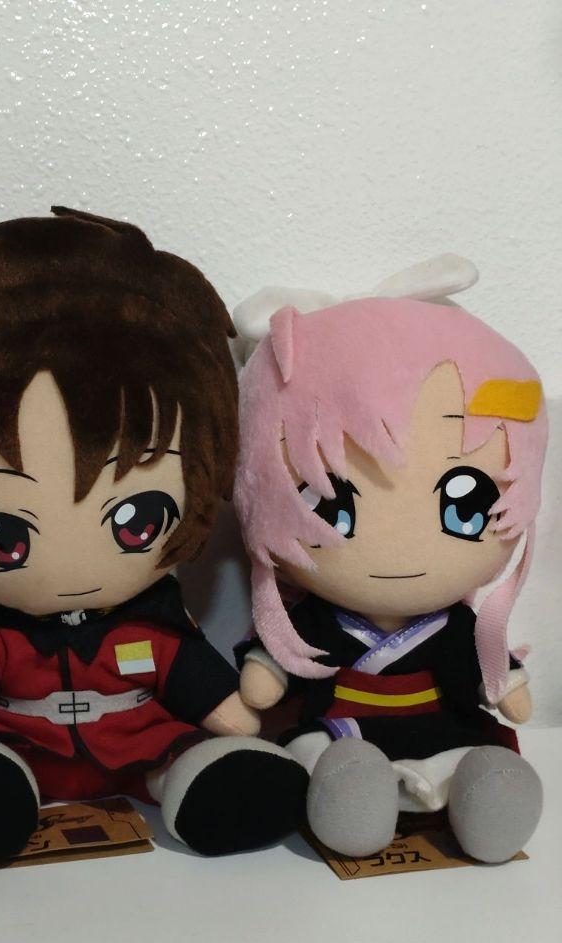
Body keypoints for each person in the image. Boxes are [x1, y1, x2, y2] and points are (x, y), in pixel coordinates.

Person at [0, 207, 308, 862]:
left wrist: (238, 724)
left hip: (149, 751)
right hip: (17, 752)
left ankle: (205, 787)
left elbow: (224, 708)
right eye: (4, 532)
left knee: (198, 758)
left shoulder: (156, 631)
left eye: (135, 520)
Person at [232, 277, 547, 862]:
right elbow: (267, 676)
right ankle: (353, 805)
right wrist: (266, 674)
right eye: (331, 505)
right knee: (331, 763)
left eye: (463, 504)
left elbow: (492, 673)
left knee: (481, 762)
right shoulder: (319, 621)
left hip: (441, 730)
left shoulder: (455, 625)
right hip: (343, 731)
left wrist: (507, 686)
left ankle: (488, 799)